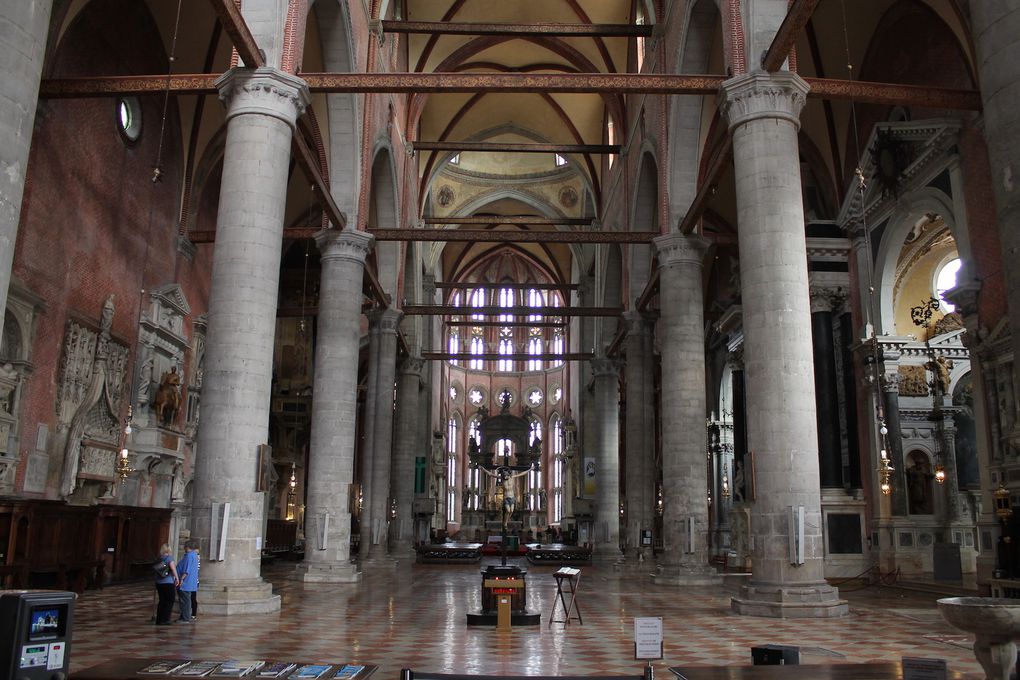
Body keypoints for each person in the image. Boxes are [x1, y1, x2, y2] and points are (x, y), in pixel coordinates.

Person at [154, 543, 179, 625]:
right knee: (170, 601)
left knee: (162, 601)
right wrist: (177, 578)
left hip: (159, 582)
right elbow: (173, 568)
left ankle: (159, 619)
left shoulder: (159, 558)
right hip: (168, 582)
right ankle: (165, 619)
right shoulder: (169, 558)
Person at [176, 539, 199, 622]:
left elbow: (187, 569)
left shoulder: (189, 556)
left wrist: (181, 579)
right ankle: (184, 616)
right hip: (190, 582)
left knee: (185, 601)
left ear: (187, 547)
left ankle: (185, 618)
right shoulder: (194, 555)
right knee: (185, 600)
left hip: (186, 582)